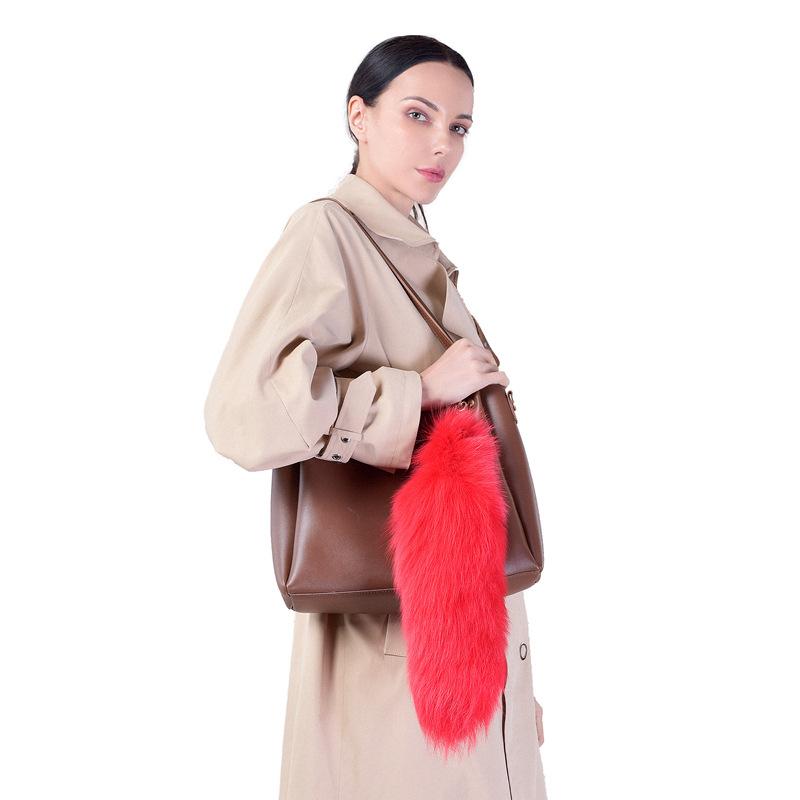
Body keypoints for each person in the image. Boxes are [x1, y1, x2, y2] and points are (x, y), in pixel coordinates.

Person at [204, 34, 548, 800]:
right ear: (358, 116)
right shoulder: (326, 233)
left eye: (459, 126)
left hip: (460, 649)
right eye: (418, 115)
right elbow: (241, 409)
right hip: (386, 650)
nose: (442, 143)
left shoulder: (412, 249)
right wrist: (414, 392)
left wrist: (510, 689)